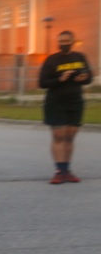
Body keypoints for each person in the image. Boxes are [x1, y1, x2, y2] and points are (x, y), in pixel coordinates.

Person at [39, 30, 93, 184]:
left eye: (66, 41)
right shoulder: (51, 60)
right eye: (61, 41)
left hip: (75, 102)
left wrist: (84, 78)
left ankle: (66, 170)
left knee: (69, 136)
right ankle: (58, 171)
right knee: (58, 136)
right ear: (58, 42)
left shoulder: (80, 57)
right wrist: (60, 79)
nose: (63, 43)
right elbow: (42, 83)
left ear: (73, 41)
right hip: (56, 102)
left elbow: (88, 77)